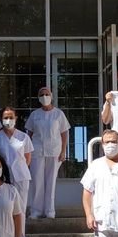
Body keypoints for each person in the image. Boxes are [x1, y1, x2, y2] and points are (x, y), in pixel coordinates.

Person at [0, 107, 34, 237]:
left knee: (20, 209)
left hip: (21, 176)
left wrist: (18, 170)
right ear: (1, 119)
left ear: (16, 118)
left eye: (11, 117)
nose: (8, 120)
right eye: (5, 117)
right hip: (2, 177)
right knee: (4, 208)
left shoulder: (23, 137)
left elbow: (27, 158)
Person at [25, 87, 70, 219]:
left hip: (54, 151)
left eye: (47, 94)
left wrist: (63, 151)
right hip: (37, 151)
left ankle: (50, 211)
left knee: (51, 182)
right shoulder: (34, 114)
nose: (44, 96)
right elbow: (29, 134)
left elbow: (64, 133)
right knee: (37, 181)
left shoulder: (59, 114)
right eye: (41, 95)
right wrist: (27, 153)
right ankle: (36, 211)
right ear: (38, 98)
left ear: (51, 96)